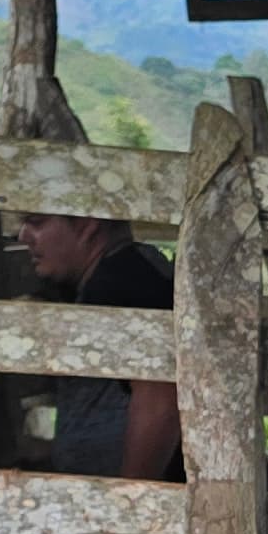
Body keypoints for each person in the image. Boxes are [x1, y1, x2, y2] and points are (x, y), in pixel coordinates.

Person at [14, 209, 181, 491]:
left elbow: (160, 400)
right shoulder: (123, 271)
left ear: (87, 223)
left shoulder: (123, 283)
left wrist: (128, 503)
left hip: (128, 514)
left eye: (36, 222)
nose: (23, 236)